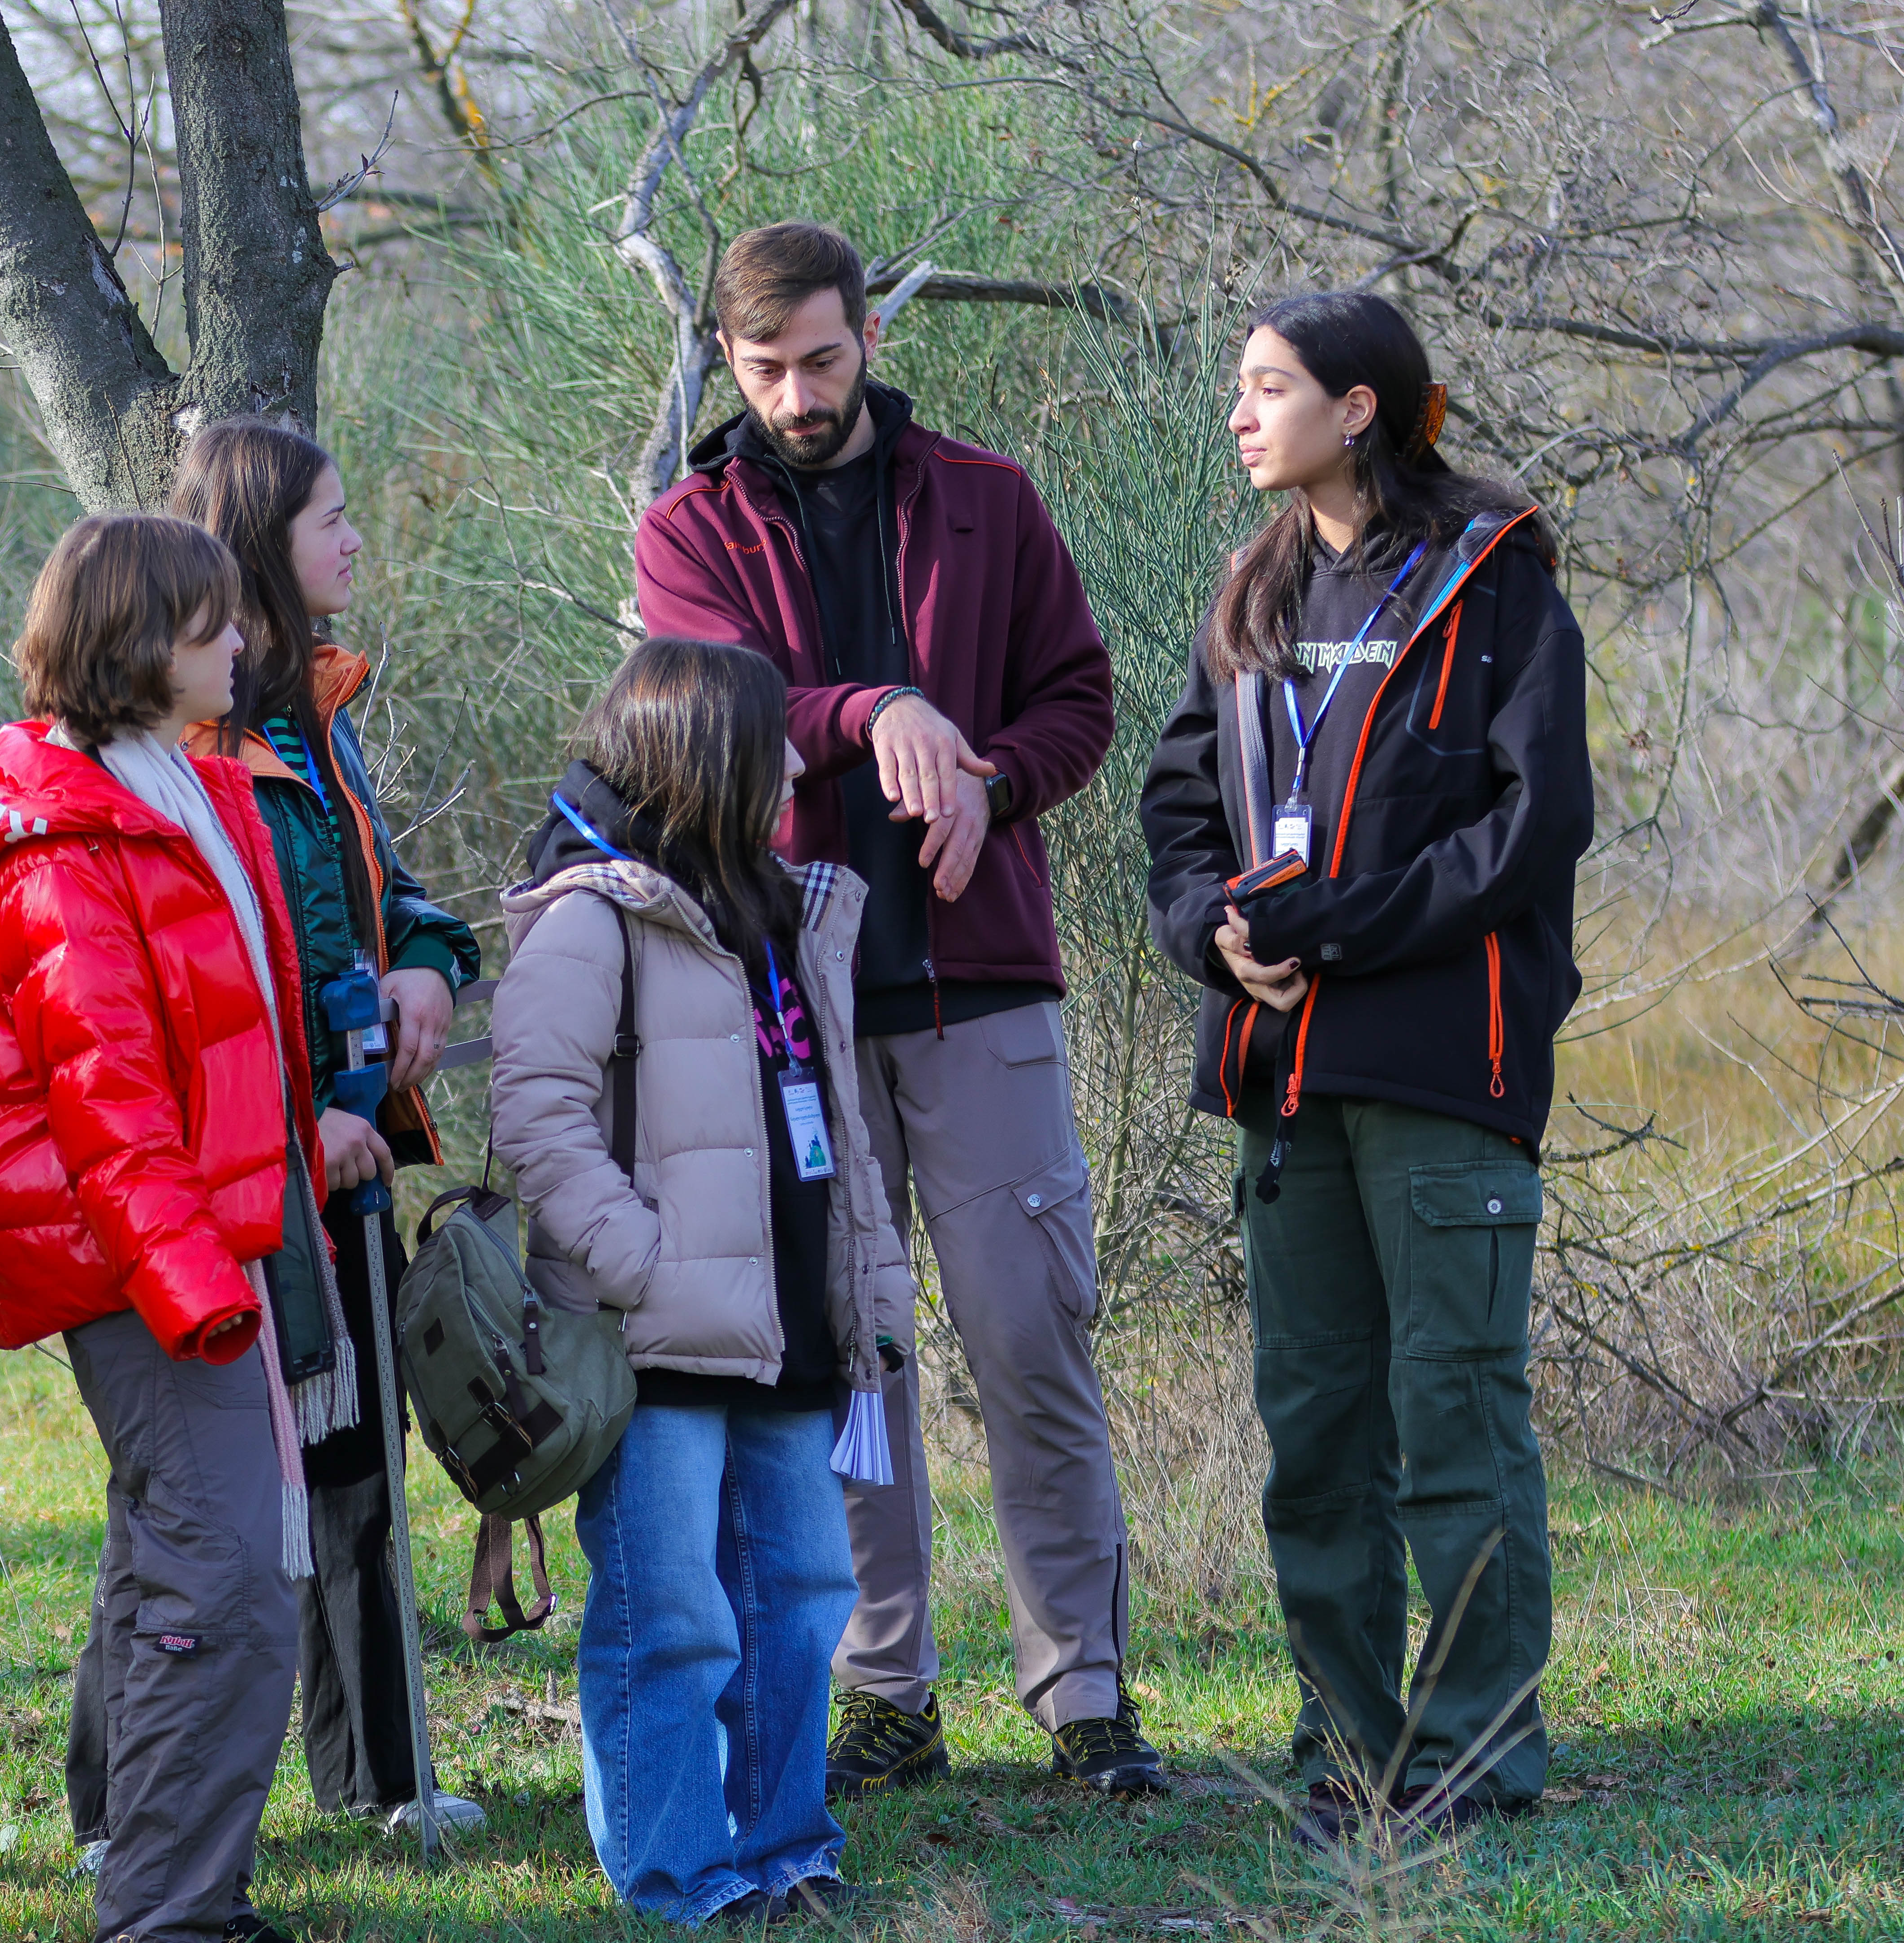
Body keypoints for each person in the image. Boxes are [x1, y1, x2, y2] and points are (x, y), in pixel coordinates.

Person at [633, 219, 1160, 1799]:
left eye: (823, 360)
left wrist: (994, 780)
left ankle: (1085, 1696)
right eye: (766, 368)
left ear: (871, 337)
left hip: (981, 982)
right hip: (793, 997)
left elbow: (1080, 700)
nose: (798, 396)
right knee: (853, 1357)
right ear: (727, 361)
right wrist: (880, 711)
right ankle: (885, 1691)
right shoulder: (689, 529)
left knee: (1030, 1335)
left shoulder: (992, 498)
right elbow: (714, 716)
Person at [1141, 292, 1588, 1845]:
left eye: (1268, 388)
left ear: (1358, 410)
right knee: (1319, 1429)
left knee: (1454, 1413)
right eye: (1240, 386)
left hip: (1443, 1061)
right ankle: (1349, 1745)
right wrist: (1216, 935)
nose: (1240, 415)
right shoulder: (1252, 587)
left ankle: (1471, 1760)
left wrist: (1334, 926)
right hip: (1283, 1075)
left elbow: (1535, 826)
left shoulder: (1493, 572)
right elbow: (1179, 811)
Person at [48, 420, 482, 1848]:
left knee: (357, 1460)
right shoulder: (188, 747)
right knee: (193, 1494)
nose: (355, 539)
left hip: (347, 1150)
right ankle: (114, 1808)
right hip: (254, 1175)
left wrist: (431, 964)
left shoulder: (316, 714)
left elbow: (384, 898)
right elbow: (219, 988)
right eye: (329, 519)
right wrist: (306, 1124)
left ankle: (383, 1784)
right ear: (257, 547)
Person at [0, 514, 325, 1943]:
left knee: (192, 1567)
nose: (243, 643)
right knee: (219, 1582)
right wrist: (200, 1290)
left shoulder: (184, 791)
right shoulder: (68, 845)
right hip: (153, 1269)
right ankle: (162, 1918)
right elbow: (108, 1105)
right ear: (142, 644)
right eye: (216, 624)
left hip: (209, 1246)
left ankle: (176, 1882)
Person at [488, 635, 914, 1923]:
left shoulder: (788, 913)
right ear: (703, 755)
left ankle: (788, 1851)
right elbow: (538, 1120)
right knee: (669, 1618)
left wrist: (869, 1294)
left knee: (801, 1601)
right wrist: (647, 1267)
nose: (795, 765)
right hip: (655, 1347)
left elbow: (844, 1132)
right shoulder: (591, 916)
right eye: (771, 741)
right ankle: (677, 1875)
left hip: (792, 1334)